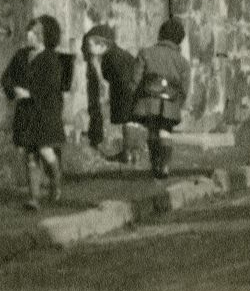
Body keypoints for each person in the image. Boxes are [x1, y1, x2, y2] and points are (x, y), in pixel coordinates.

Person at [2, 15, 67, 210]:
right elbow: (7, 77)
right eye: (30, 31)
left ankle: (56, 177)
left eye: (37, 32)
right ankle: (34, 198)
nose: (31, 35)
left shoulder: (51, 59)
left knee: (45, 151)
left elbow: (52, 86)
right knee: (30, 155)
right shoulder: (21, 55)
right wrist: (13, 90)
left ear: (46, 36)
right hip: (26, 114)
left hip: (45, 113)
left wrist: (30, 93)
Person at [130, 17, 192, 179]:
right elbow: (184, 89)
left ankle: (155, 163)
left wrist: (134, 97)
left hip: (148, 100)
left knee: (152, 131)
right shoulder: (183, 62)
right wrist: (178, 104)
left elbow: (135, 80)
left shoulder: (145, 53)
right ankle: (164, 166)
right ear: (179, 40)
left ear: (160, 35)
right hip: (170, 103)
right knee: (165, 131)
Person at [82, 23, 139, 164]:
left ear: (102, 45)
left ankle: (128, 153)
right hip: (124, 90)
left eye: (91, 45)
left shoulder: (114, 58)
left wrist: (108, 91)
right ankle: (128, 153)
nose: (89, 49)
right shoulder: (105, 56)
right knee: (127, 120)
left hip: (127, 90)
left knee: (128, 120)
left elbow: (117, 80)